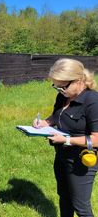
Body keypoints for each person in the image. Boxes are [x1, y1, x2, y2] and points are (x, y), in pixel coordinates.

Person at [33, 58, 98, 217]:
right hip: (62, 156)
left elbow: (96, 139)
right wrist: (44, 123)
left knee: (80, 206)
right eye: (56, 86)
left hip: (81, 160)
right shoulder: (63, 96)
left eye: (63, 86)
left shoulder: (93, 101)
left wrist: (67, 140)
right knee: (64, 198)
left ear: (79, 80)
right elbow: (57, 117)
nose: (60, 90)